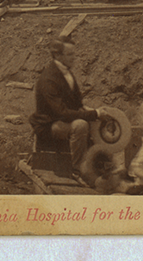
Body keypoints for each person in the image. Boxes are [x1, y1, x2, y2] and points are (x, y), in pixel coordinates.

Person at [30, 38, 102, 178]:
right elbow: (61, 112)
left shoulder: (66, 73)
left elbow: (76, 104)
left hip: (61, 119)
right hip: (49, 124)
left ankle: (93, 163)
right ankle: (77, 170)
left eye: (74, 54)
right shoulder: (48, 78)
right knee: (80, 125)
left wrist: (89, 110)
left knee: (92, 120)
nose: (74, 58)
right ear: (57, 55)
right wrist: (94, 114)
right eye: (70, 55)